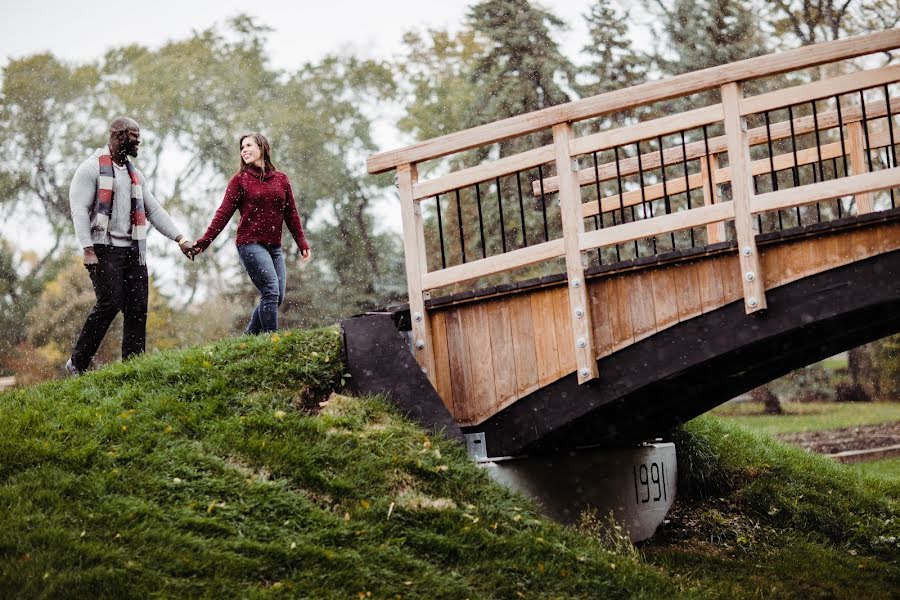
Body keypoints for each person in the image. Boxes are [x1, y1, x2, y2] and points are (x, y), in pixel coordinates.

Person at [65, 117, 196, 376]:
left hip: (134, 250)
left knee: (137, 308)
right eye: (135, 137)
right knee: (110, 303)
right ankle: (77, 363)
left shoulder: (136, 175)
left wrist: (180, 238)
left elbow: (154, 210)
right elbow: (79, 210)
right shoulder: (90, 169)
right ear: (119, 135)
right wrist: (87, 248)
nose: (139, 142)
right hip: (102, 248)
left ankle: (133, 368)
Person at [193, 133, 311, 335]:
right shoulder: (240, 181)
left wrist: (302, 242)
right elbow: (223, 214)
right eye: (241, 147)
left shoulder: (281, 179)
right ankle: (272, 341)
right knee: (270, 291)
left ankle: (249, 336)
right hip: (250, 244)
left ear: (262, 147)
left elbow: (291, 213)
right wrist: (204, 242)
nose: (244, 150)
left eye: (248, 145)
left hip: (274, 247)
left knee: (277, 296)